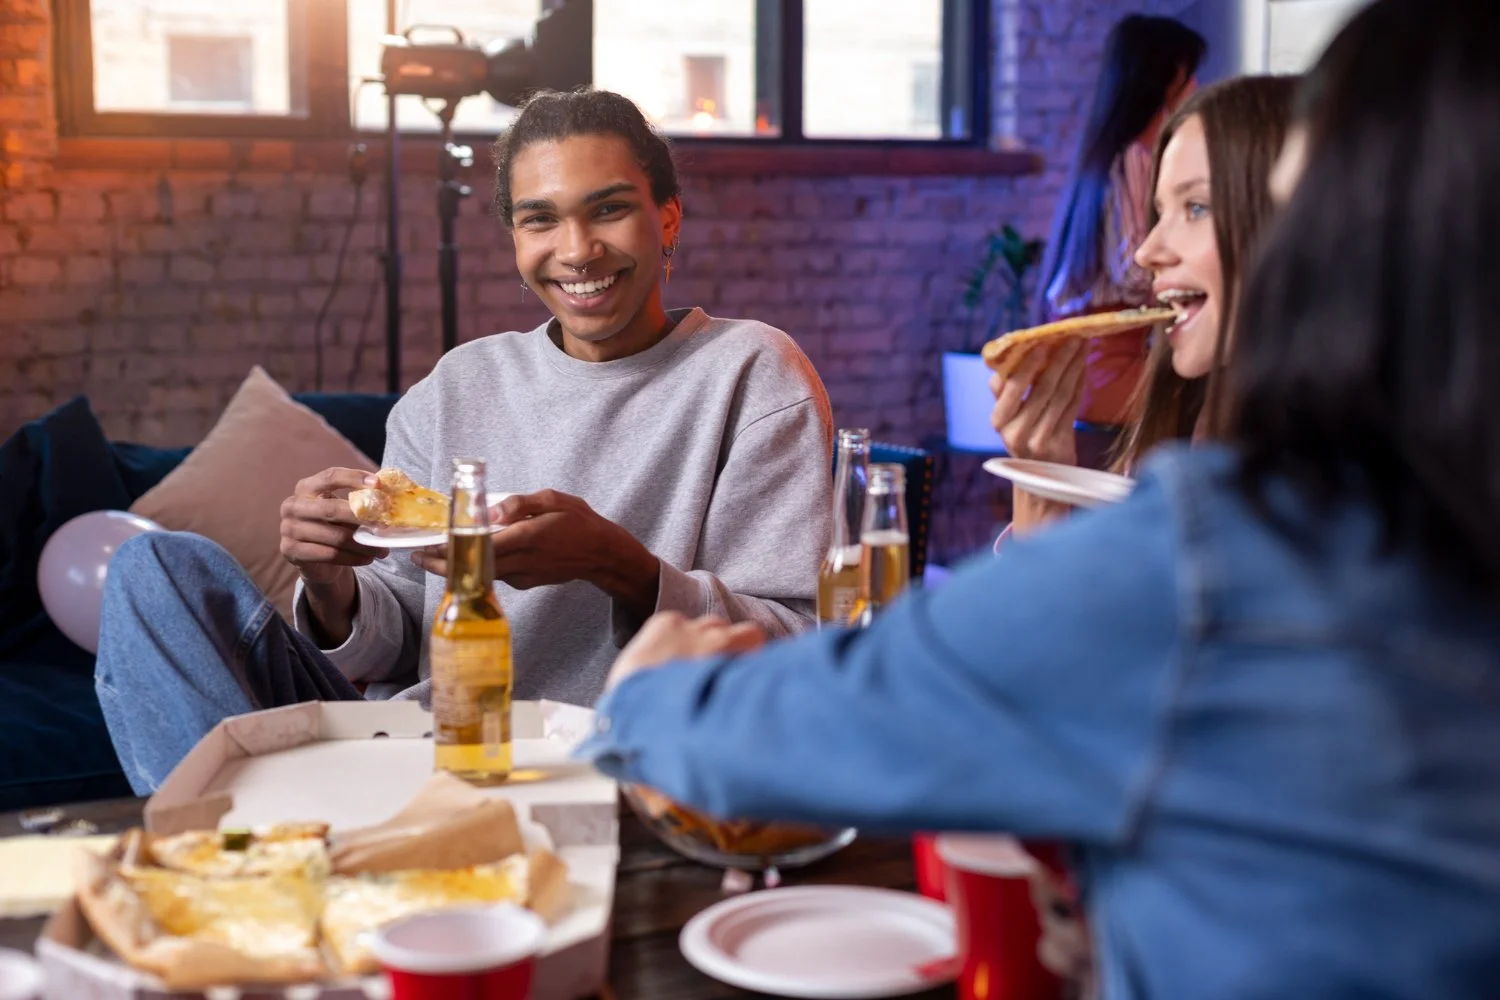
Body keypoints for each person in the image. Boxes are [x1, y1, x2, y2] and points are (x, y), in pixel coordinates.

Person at [578, 1, 1500, 995]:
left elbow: (817, 721)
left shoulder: (1224, 554)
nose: (1148, 251)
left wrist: (647, 693)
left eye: (1270, 204)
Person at [95, 89, 834, 794]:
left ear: (667, 218)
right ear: (515, 236)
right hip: (416, 745)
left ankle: (276, 854)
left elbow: (801, 646)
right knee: (154, 568)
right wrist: (330, 584)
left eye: (607, 210)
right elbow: (392, 642)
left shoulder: (752, 374)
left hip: (609, 751)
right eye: (540, 220)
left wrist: (621, 567)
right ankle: (229, 861)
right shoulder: (455, 386)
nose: (576, 250)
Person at [994, 75, 1296, 534]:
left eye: (1196, 208)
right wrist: (1041, 481)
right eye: (1158, 213)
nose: (1146, 251)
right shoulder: (1187, 425)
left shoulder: (1327, 494)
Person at [1032, 14, 1204, 461]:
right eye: (1189, 73)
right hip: (1107, 368)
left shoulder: (1102, 154)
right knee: (1216, 398)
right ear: (1163, 78)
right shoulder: (1135, 158)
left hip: (1082, 367)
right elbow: (1131, 270)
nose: (1198, 86)